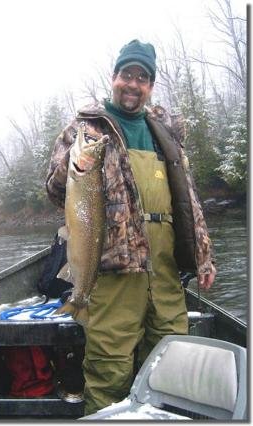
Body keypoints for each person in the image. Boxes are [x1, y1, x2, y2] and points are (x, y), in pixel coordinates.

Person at [46, 39, 216, 415]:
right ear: (114, 77)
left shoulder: (165, 133)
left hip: (167, 271)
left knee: (174, 360)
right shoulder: (86, 128)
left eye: (142, 78)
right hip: (115, 270)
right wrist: (73, 162)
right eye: (127, 75)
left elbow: (188, 204)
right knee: (109, 369)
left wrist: (203, 257)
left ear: (150, 85)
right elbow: (56, 191)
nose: (133, 84)